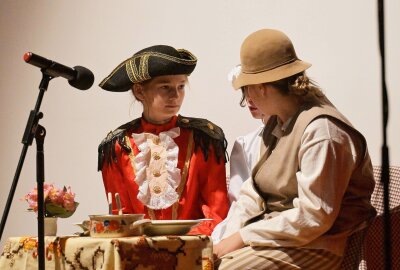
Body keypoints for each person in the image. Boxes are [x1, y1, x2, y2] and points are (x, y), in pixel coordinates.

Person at [213, 29, 376, 269]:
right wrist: (225, 240)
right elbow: (253, 192)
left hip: (321, 244)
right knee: (203, 262)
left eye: (246, 88)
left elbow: (314, 217)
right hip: (279, 238)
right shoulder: (276, 123)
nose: (247, 97)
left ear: (262, 87)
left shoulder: (322, 131)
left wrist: (243, 237)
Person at [97, 45, 229, 236]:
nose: (175, 95)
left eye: (181, 86)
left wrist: (184, 246)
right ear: (139, 92)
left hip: (195, 249)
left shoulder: (204, 140)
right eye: (165, 87)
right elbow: (121, 217)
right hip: (139, 251)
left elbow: (216, 213)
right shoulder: (117, 147)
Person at [212, 66, 268, 244]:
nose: (250, 99)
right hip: (246, 223)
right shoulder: (245, 144)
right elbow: (239, 202)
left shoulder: (296, 135)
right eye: (245, 91)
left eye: (256, 90)